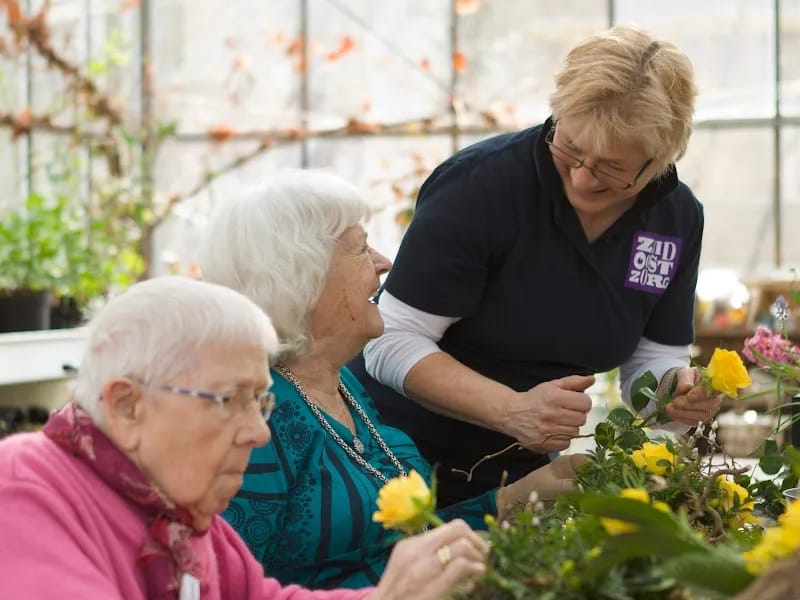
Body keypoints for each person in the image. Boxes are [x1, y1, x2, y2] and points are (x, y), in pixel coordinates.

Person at [349, 24, 724, 505]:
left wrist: (676, 394)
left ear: (659, 161)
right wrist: (510, 409)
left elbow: (653, 361)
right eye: (570, 147)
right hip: (395, 459)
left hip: (520, 471)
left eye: (612, 166)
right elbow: (390, 339)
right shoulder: (482, 187)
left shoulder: (674, 219)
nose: (583, 178)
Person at [197, 170, 586, 590]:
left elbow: (407, 551)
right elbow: (224, 586)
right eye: (362, 248)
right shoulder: (256, 416)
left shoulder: (343, 384)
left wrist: (519, 498)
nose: (385, 263)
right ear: (303, 275)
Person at [0, 276, 488, 600]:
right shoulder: (25, 492)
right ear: (128, 406)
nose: (258, 432)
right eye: (229, 400)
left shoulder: (178, 512)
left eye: (261, 402)